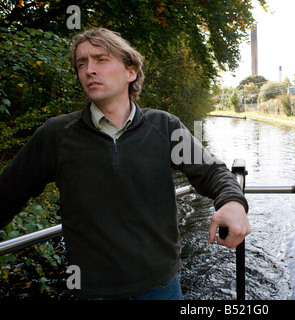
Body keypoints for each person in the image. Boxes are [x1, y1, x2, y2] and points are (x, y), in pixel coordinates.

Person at [0, 28, 250, 299]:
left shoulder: (164, 126)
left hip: (162, 287)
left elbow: (211, 171)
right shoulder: (57, 134)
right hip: (93, 291)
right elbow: (7, 194)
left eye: (101, 59)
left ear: (131, 72)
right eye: (81, 63)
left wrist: (233, 202)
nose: (89, 70)